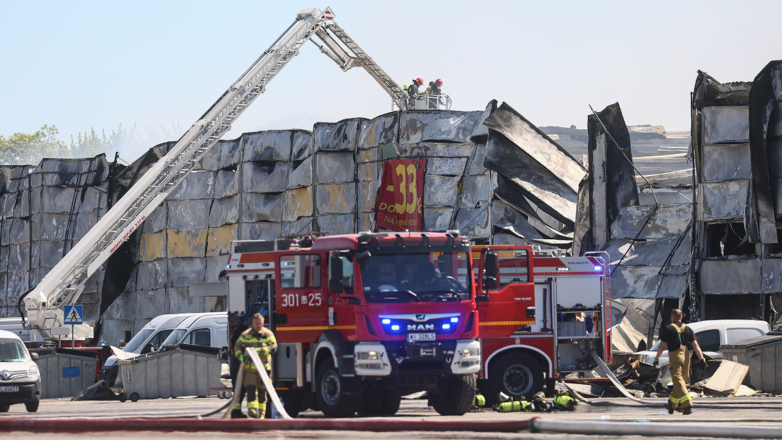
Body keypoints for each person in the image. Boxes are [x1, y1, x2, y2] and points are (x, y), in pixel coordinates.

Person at [653, 309, 706, 415]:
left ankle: (687, 404)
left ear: (671, 317)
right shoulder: (688, 329)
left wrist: (656, 358)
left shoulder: (668, 329)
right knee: (680, 382)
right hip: (686, 358)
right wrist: (702, 358)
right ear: (681, 317)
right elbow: (695, 345)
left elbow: (662, 346)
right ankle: (671, 405)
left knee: (678, 381)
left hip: (675, 358)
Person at [234, 313, 278, 418]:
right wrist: (241, 357)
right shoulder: (245, 335)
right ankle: (252, 415)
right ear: (252, 323)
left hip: (264, 370)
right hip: (250, 371)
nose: (259, 325)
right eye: (257, 323)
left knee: (263, 395)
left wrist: (260, 351)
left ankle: (261, 416)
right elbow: (237, 347)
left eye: (261, 323)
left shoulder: (268, 334)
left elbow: (274, 347)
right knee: (251, 394)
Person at [228, 312, 248, 418]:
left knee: (239, 390)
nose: (240, 319)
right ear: (234, 321)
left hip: (236, 364)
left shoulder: (235, 330)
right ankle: (235, 413)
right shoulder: (237, 331)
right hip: (237, 365)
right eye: (238, 318)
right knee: (239, 390)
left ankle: (236, 412)